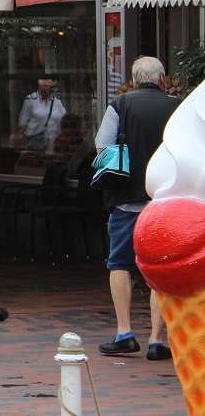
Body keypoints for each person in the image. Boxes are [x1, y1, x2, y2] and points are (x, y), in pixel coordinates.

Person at [94, 56, 179, 361]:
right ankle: (157, 339)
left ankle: (125, 332)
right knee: (160, 268)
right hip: (164, 202)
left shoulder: (120, 105)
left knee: (120, 264)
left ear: (133, 78)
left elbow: (102, 146)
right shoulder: (175, 106)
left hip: (126, 199)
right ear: (161, 78)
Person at [18, 79, 67, 152]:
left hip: (55, 145)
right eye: (45, 86)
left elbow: (64, 118)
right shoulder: (30, 99)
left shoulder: (57, 101)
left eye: (49, 86)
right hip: (36, 143)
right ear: (39, 86)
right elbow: (22, 124)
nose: (47, 88)